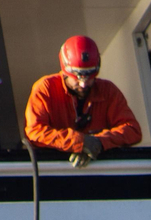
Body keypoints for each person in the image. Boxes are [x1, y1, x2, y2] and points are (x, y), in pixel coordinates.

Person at [25, 35, 142, 166]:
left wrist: (99, 142)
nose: (83, 85)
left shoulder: (108, 91)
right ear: (65, 70)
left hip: (102, 171)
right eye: (77, 77)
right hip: (56, 171)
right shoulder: (45, 89)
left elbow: (132, 130)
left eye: (90, 77)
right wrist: (80, 142)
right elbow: (35, 133)